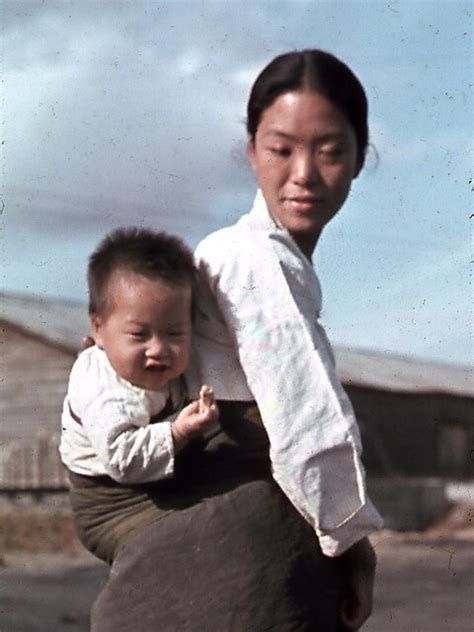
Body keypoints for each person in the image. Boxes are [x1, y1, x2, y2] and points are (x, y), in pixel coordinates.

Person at [91, 49, 383, 632]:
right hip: (221, 524)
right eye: (281, 150)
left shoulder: (250, 255)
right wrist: (353, 542)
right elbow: (307, 420)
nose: (303, 174)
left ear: (358, 159)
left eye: (329, 152)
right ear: (251, 152)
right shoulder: (253, 258)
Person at [59, 227, 218, 563]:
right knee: (173, 544)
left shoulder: (155, 367)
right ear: (98, 329)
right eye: (139, 334)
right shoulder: (105, 389)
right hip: (107, 501)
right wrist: (177, 432)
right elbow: (120, 457)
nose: (158, 349)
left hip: (151, 480)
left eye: (174, 332)